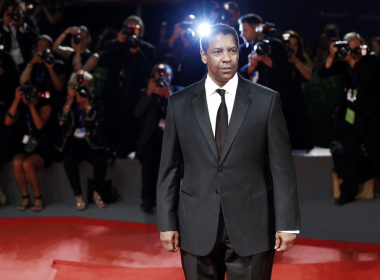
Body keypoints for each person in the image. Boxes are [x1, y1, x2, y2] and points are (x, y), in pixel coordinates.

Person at [157, 24, 300, 280]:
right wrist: (166, 223)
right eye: (217, 51)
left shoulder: (266, 100)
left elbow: (282, 167)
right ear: (203, 55)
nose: (226, 58)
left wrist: (287, 222)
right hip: (196, 224)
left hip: (253, 224)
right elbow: (169, 168)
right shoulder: (178, 104)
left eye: (232, 50)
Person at [319, 32, 380, 205]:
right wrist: (332, 55)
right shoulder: (343, 60)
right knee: (349, 155)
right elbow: (323, 72)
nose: (353, 53)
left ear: (363, 45)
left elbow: (368, 77)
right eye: (349, 49)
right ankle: (348, 192)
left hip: (370, 116)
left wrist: (352, 61)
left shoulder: (372, 59)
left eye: (356, 49)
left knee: (376, 153)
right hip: (349, 115)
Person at [99, 15, 156, 158]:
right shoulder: (116, 44)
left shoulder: (147, 48)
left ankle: (129, 153)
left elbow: (149, 70)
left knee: (131, 128)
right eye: (129, 27)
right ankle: (108, 153)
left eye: (135, 28)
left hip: (134, 95)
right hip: (114, 95)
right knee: (111, 126)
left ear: (141, 31)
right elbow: (104, 61)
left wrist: (137, 53)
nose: (132, 30)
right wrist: (118, 43)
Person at [55, 71, 109, 210]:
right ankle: (78, 196)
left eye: (84, 87)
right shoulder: (69, 100)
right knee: (69, 160)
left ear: (90, 87)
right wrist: (69, 101)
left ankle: (97, 194)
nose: (81, 90)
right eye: (77, 86)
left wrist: (85, 103)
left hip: (92, 142)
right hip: (73, 143)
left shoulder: (96, 101)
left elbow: (96, 122)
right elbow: (61, 122)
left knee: (101, 160)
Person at [135, 64, 179, 214]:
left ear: (170, 77)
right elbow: (137, 113)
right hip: (151, 139)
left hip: (172, 140)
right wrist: (148, 93)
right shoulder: (147, 93)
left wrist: (168, 95)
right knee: (148, 167)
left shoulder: (178, 92)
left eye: (164, 74)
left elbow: (184, 114)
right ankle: (147, 200)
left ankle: (168, 203)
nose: (161, 77)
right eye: (158, 75)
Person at [4, 84, 55, 212]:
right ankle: (25, 197)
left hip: (42, 146)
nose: (30, 96)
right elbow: (7, 122)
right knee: (17, 162)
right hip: (23, 146)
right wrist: (16, 99)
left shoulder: (45, 105)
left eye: (32, 94)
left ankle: (38, 197)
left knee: (27, 164)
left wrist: (31, 105)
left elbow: (39, 125)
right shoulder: (20, 106)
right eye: (27, 94)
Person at [237, 14, 293, 125]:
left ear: (257, 28)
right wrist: (250, 67)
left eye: (245, 30)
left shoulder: (276, 46)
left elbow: (288, 72)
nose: (242, 34)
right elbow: (234, 77)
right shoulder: (243, 50)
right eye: (241, 30)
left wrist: (267, 60)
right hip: (249, 105)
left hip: (274, 105)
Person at [283, 30, 314, 150]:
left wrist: (295, 61)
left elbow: (308, 76)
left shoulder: (302, 58)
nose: (292, 47)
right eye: (289, 44)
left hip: (297, 100)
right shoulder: (278, 59)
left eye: (295, 44)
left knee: (299, 131)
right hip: (282, 98)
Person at [19, 35, 65, 105]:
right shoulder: (33, 64)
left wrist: (50, 68)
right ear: (36, 49)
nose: (44, 48)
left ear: (51, 48)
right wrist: (31, 63)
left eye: (46, 46)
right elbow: (23, 82)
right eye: (40, 46)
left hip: (52, 101)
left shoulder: (59, 65)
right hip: (34, 99)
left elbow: (59, 88)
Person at [0, 0, 39, 72]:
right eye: (13, 11)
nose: (16, 14)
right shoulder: (1, 23)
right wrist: (5, 26)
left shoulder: (28, 20)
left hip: (26, 61)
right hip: (8, 63)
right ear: (6, 11)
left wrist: (22, 26)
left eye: (18, 11)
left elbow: (36, 37)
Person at [167, 18, 206, 88]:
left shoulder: (201, 46)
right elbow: (162, 54)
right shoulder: (177, 44)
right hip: (174, 88)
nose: (188, 29)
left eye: (191, 26)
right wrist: (174, 36)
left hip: (193, 89)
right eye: (186, 26)